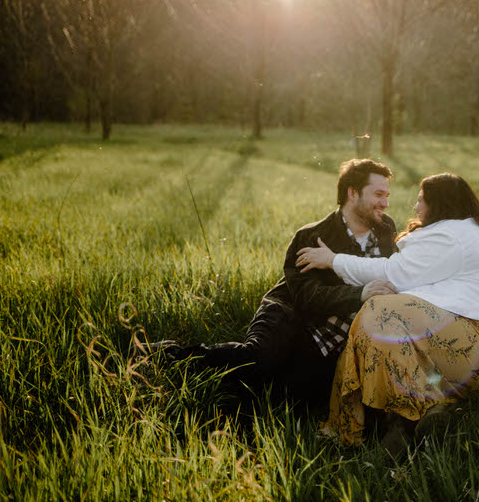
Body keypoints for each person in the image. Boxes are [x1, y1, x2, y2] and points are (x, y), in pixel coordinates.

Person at [295, 173, 479, 453]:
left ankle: (383, 422)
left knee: (380, 311)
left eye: (420, 201)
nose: (415, 208)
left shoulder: (454, 236)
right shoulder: (467, 230)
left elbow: (394, 274)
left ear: (438, 204)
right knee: (381, 321)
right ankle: (424, 415)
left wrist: (333, 260)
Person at [153, 159, 399, 408]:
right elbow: (307, 297)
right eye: (378, 194)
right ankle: (165, 355)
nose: (386, 203)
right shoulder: (312, 235)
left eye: (387, 195)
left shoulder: (385, 229)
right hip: (288, 313)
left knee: (290, 400)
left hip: (330, 336)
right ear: (352, 193)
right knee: (257, 359)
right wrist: (360, 293)